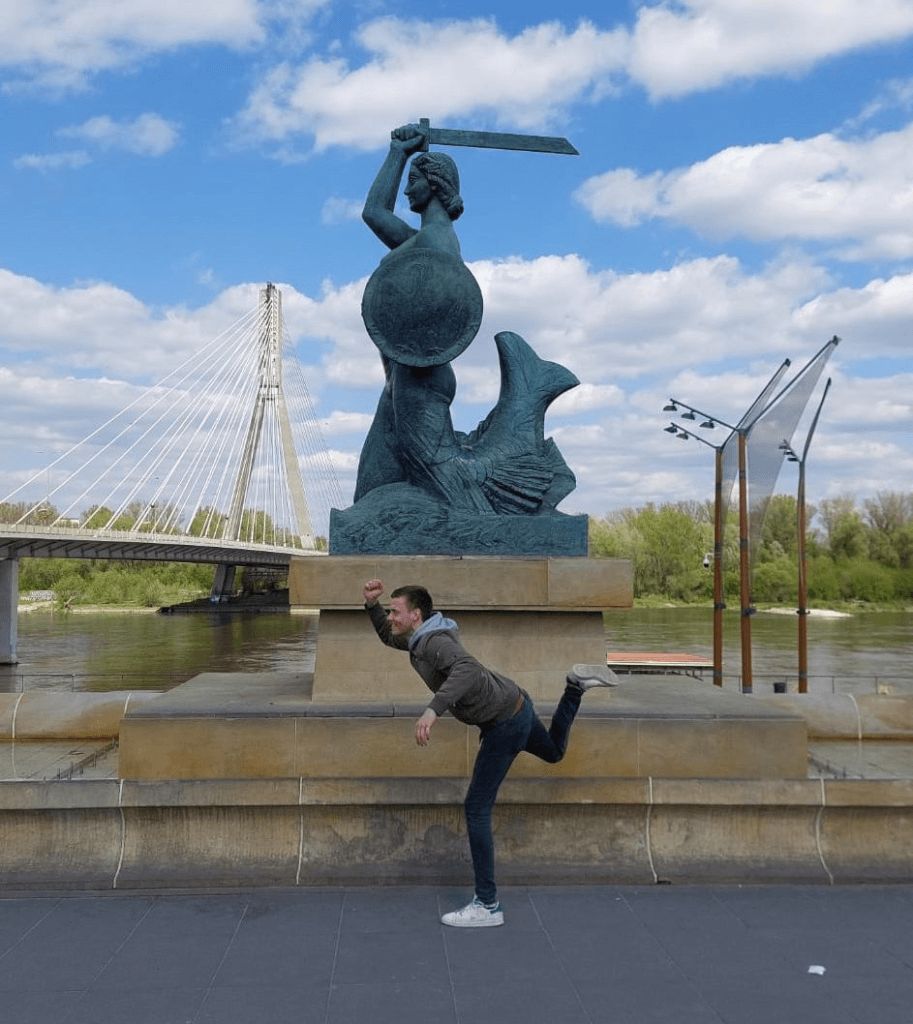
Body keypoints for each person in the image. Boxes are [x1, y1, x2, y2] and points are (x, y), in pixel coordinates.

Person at [362, 578, 617, 928]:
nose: (391, 617)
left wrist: (433, 710)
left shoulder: (434, 642)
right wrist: (371, 604)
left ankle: (487, 904)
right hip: (516, 704)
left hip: (503, 723)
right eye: (389, 612)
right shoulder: (420, 637)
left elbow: (466, 669)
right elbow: (387, 636)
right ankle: (574, 687)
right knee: (554, 751)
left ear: (415, 615)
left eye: (395, 612)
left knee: (476, 808)